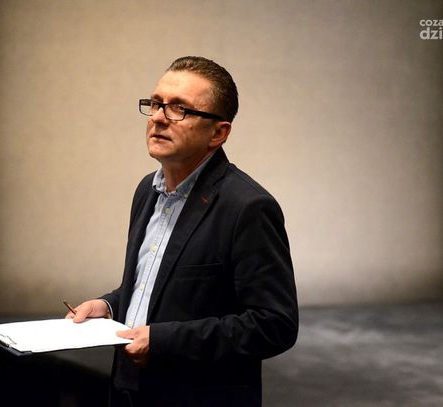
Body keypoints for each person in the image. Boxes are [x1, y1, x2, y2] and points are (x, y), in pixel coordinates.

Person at [67, 56, 298, 407]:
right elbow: (160, 287)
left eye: (179, 109)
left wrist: (164, 342)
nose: (158, 117)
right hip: (128, 392)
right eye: (156, 103)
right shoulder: (147, 191)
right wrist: (110, 305)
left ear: (218, 133)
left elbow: (274, 324)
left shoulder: (248, 207)